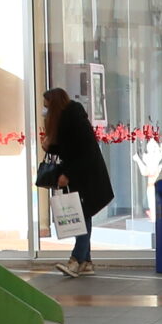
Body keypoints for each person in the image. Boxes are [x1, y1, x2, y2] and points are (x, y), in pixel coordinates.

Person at [40, 86, 112, 277]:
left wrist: (67, 174)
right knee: (83, 214)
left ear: (54, 106)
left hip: (87, 177)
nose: (44, 110)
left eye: (46, 106)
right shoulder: (70, 120)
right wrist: (50, 147)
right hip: (85, 176)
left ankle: (76, 260)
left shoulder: (72, 121)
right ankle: (86, 262)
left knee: (82, 215)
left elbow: (82, 154)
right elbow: (70, 150)